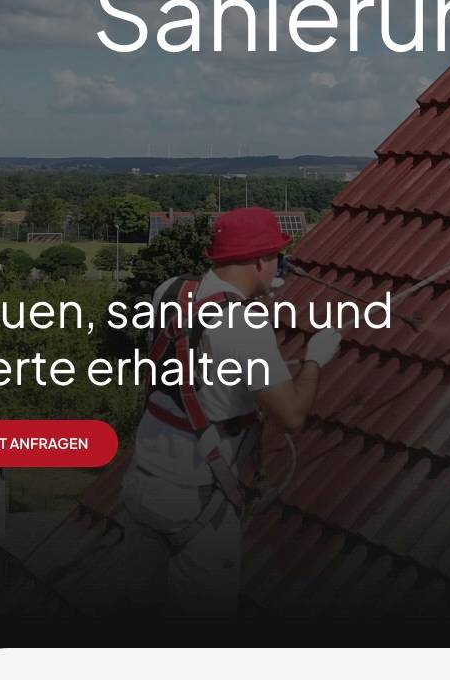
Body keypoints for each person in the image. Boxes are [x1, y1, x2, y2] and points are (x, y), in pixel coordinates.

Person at [117, 206, 340, 614]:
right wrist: (315, 359)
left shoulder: (169, 290)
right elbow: (291, 416)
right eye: (275, 258)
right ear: (259, 260)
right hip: (198, 497)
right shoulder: (246, 326)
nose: (278, 267)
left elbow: (193, 361)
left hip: (143, 480)